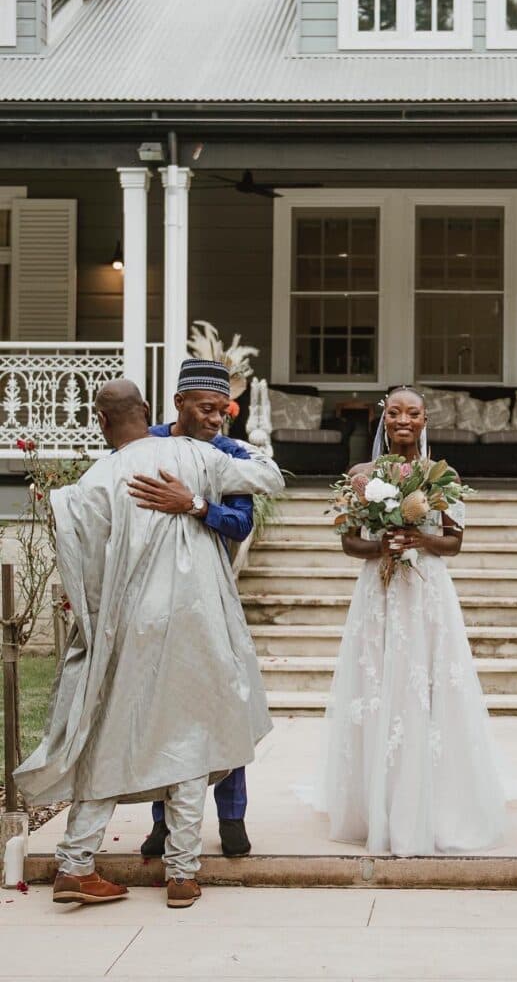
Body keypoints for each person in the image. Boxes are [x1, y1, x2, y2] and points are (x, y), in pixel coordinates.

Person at [14, 380, 283, 908]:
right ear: (148, 410)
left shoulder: (97, 477)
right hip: (197, 622)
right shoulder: (196, 455)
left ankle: (75, 863)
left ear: (100, 420)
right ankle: (182, 874)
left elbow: (80, 560)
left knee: (111, 738)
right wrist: (198, 499)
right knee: (192, 737)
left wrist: (96, 622)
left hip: (129, 625)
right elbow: (269, 475)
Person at [308, 386, 508, 855]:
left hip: (425, 591)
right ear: (384, 418)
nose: (403, 420)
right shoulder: (360, 476)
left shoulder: (443, 475)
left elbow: (454, 543)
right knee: (376, 685)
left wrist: (418, 538)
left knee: (428, 686)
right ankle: (374, 799)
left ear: (424, 419)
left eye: (412, 413)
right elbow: (348, 543)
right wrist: (381, 546)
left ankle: (430, 796)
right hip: (378, 592)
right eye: (394, 412)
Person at [128, 358, 265, 859]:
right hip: (155, 599)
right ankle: (164, 823)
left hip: (211, 599)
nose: (216, 420)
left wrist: (196, 504)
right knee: (167, 710)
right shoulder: (145, 448)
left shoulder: (230, 454)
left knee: (226, 702)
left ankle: (232, 818)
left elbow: (239, 524)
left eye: (223, 412)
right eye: (206, 409)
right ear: (179, 403)